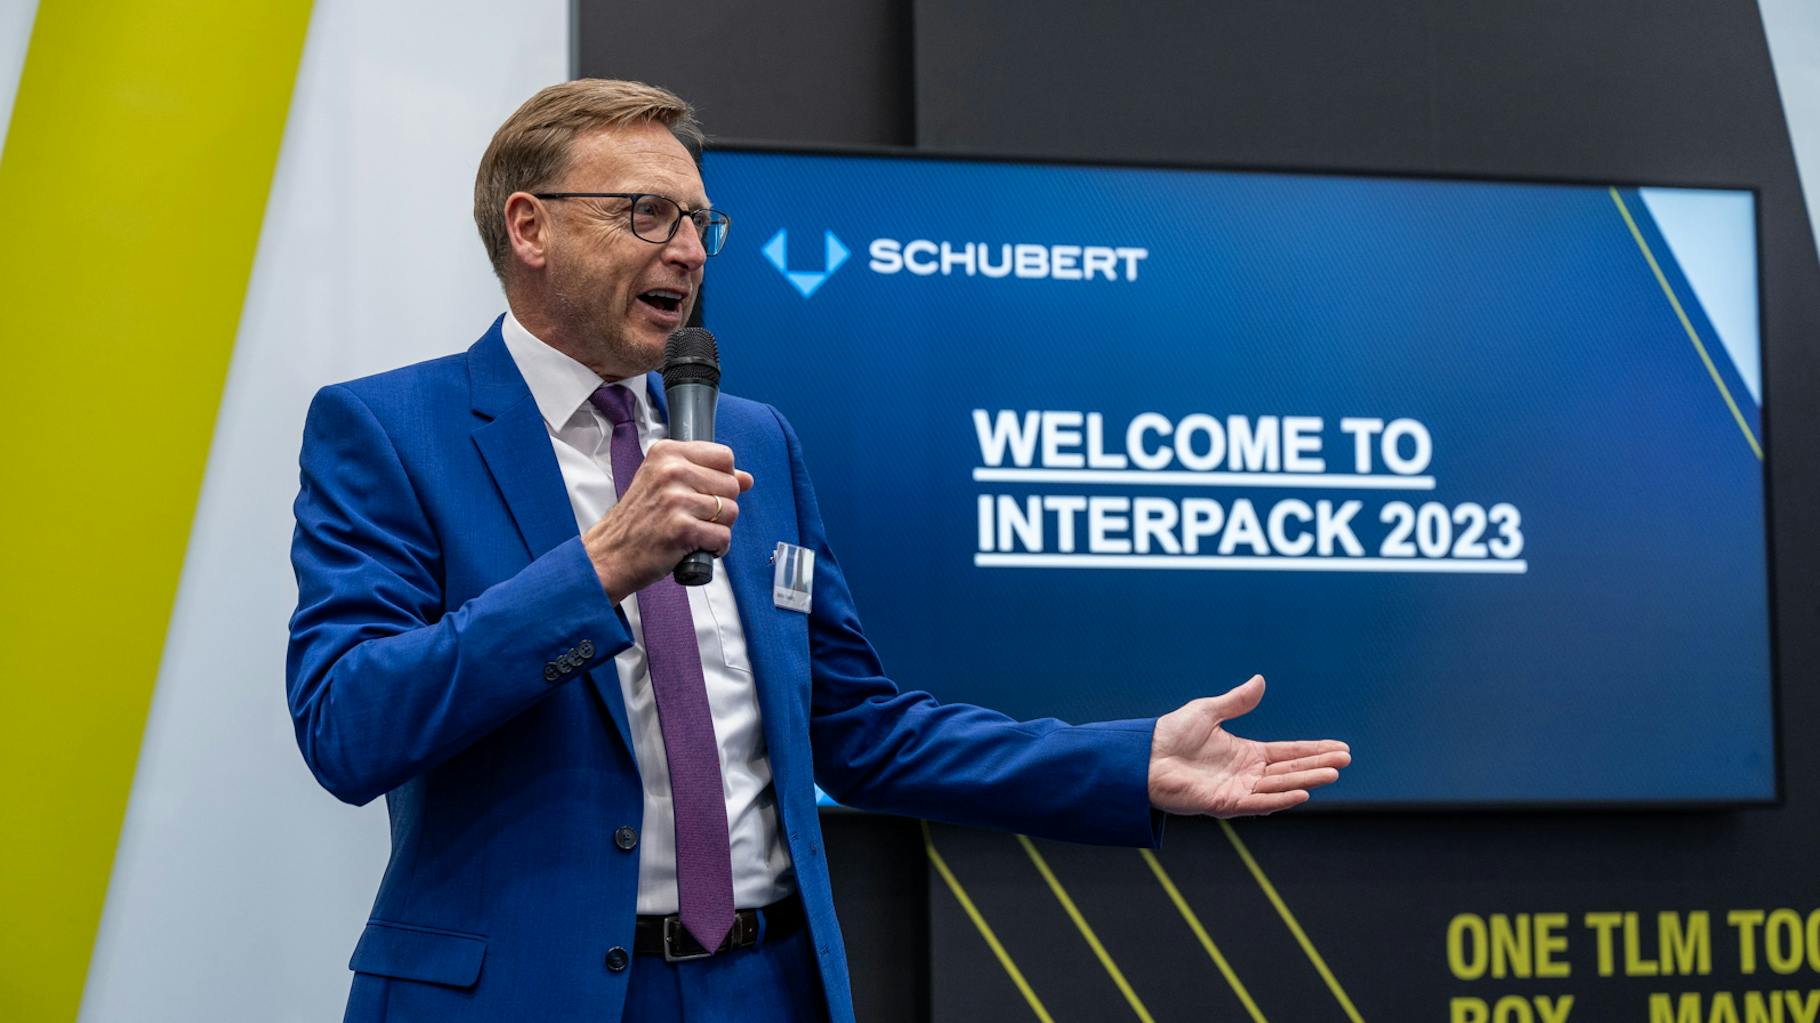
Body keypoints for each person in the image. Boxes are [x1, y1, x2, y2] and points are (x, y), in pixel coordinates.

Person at [286, 78, 1351, 1023]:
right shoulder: (392, 432)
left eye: (702, 221)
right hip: (519, 994)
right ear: (529, 227)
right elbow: (349, 724)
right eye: (646, 213)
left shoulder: (750, 438)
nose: (689, 251)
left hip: (764, 985)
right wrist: (601, 567)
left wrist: (1124, 762)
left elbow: (859, 730)